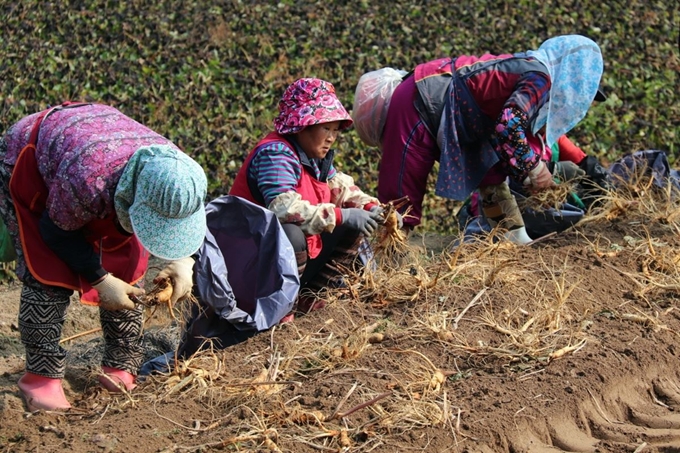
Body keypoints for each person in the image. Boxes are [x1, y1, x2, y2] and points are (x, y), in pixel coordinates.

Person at [0, 102, 208, 411]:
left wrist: (186, 261)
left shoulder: (178, 175)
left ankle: (120, 365)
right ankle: (40, 377)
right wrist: (101, 279)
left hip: (98, 158)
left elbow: (187, 219)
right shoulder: (86, 181)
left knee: (128, 271)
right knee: (48, 274)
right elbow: (55, 232)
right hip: (33, 157)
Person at [359, 34, 604, 243]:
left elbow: (512, 131)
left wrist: (533, 170)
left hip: (471, 117)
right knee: (403, 191)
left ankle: (513, 238)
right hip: (420, 101)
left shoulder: (535, 75)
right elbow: (509, 124)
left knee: (493, 178)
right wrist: (535, 169)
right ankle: (392, 251)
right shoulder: (539, 77)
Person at [230, 78, 391, 320]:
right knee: (291, 234)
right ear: (302, 125)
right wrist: (341, 215)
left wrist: (374, 208)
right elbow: (283, 209)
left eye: (335, 130)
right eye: (325, 128)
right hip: (249, 262)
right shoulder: (275, 154)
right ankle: (281, 309)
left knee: (356, 224)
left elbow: (342, 189)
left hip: (276, 260)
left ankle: (310, 297)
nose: (331, 138)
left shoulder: (313, 157)